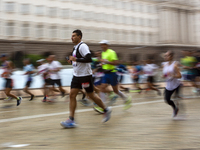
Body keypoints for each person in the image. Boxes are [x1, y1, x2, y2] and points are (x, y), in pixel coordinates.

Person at [60, 29, 111, 128]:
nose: (72, 37)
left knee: (91, 96)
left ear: (79, 37)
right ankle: (71, 120)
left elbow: (89, 59)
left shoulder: (83, 46)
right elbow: (78, 61)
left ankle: (106, 109)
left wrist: (76, 59)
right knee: (72, 95)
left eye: (74, 36)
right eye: (72, 36)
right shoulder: (75, 48)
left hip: (85, 76)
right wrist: (72, 61)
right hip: (76, 76)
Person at [97, 40, 132, 111]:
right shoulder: (103, 53)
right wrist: (102, 64)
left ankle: (126, 99)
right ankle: (102, 106)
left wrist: (107, 62)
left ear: (107, 45)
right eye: (101, 45)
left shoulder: (112, 52)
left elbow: (116, 63)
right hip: (105, 73)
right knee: (102, 88)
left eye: (103, 45)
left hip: (112, 73)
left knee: (115, 91)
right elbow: (104, 62)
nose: (102, 46)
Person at [163, 51, 181, 118]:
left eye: (167, 55)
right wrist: (164, 75)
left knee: (176, 98)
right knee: (167, 99)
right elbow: (165, 74)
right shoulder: (164, 65)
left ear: (171, 57)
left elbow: (180, 76)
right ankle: (175, 108)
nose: (165, 57)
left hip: (176, 85)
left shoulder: (174, 65)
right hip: (168, 86)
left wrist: (173, 75)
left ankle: (177, 105)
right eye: (165, 55)